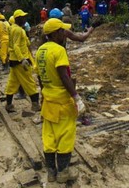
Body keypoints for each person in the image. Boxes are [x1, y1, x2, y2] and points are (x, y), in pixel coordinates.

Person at [35, 18, 86, 183]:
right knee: (65, 136)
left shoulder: (40, 50)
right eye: (63, 31)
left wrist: (43, 94)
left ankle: (51, 172)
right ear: (56, 33)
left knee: (49, 136)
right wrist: (76, 97)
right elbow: (64, 75)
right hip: (62, 100)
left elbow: (40, 76)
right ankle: (63, 173)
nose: (65, 34)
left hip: (48, 99)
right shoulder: (59, 50)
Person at [4, 9, 40, 112]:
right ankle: (35, 104)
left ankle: (9, 105)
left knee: (12, 82)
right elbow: (16, 45)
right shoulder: (18, 30)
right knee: (29, 81)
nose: (25, 19)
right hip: (20, 61)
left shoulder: (12, 28)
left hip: (13, 60)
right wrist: (22, 59)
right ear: (18, 18)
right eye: (23, 17)